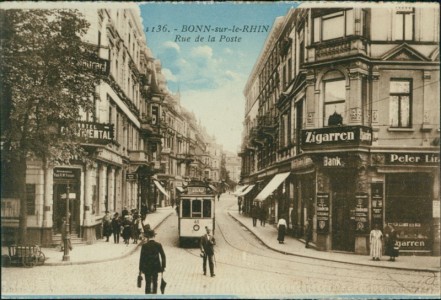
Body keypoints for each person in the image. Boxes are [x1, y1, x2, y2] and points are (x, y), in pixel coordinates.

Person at [139, 229, 166, 294]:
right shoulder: (158, 245)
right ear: (154, 236)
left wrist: (140, 269)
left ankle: (147, 295)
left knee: (147, 282)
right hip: (156, 267)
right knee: (155, 282)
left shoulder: (144, 246)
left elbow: (142, 258)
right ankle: (154, 294)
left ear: (148, 237)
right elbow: (163, 256)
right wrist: (163, 267)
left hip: (147, 267)